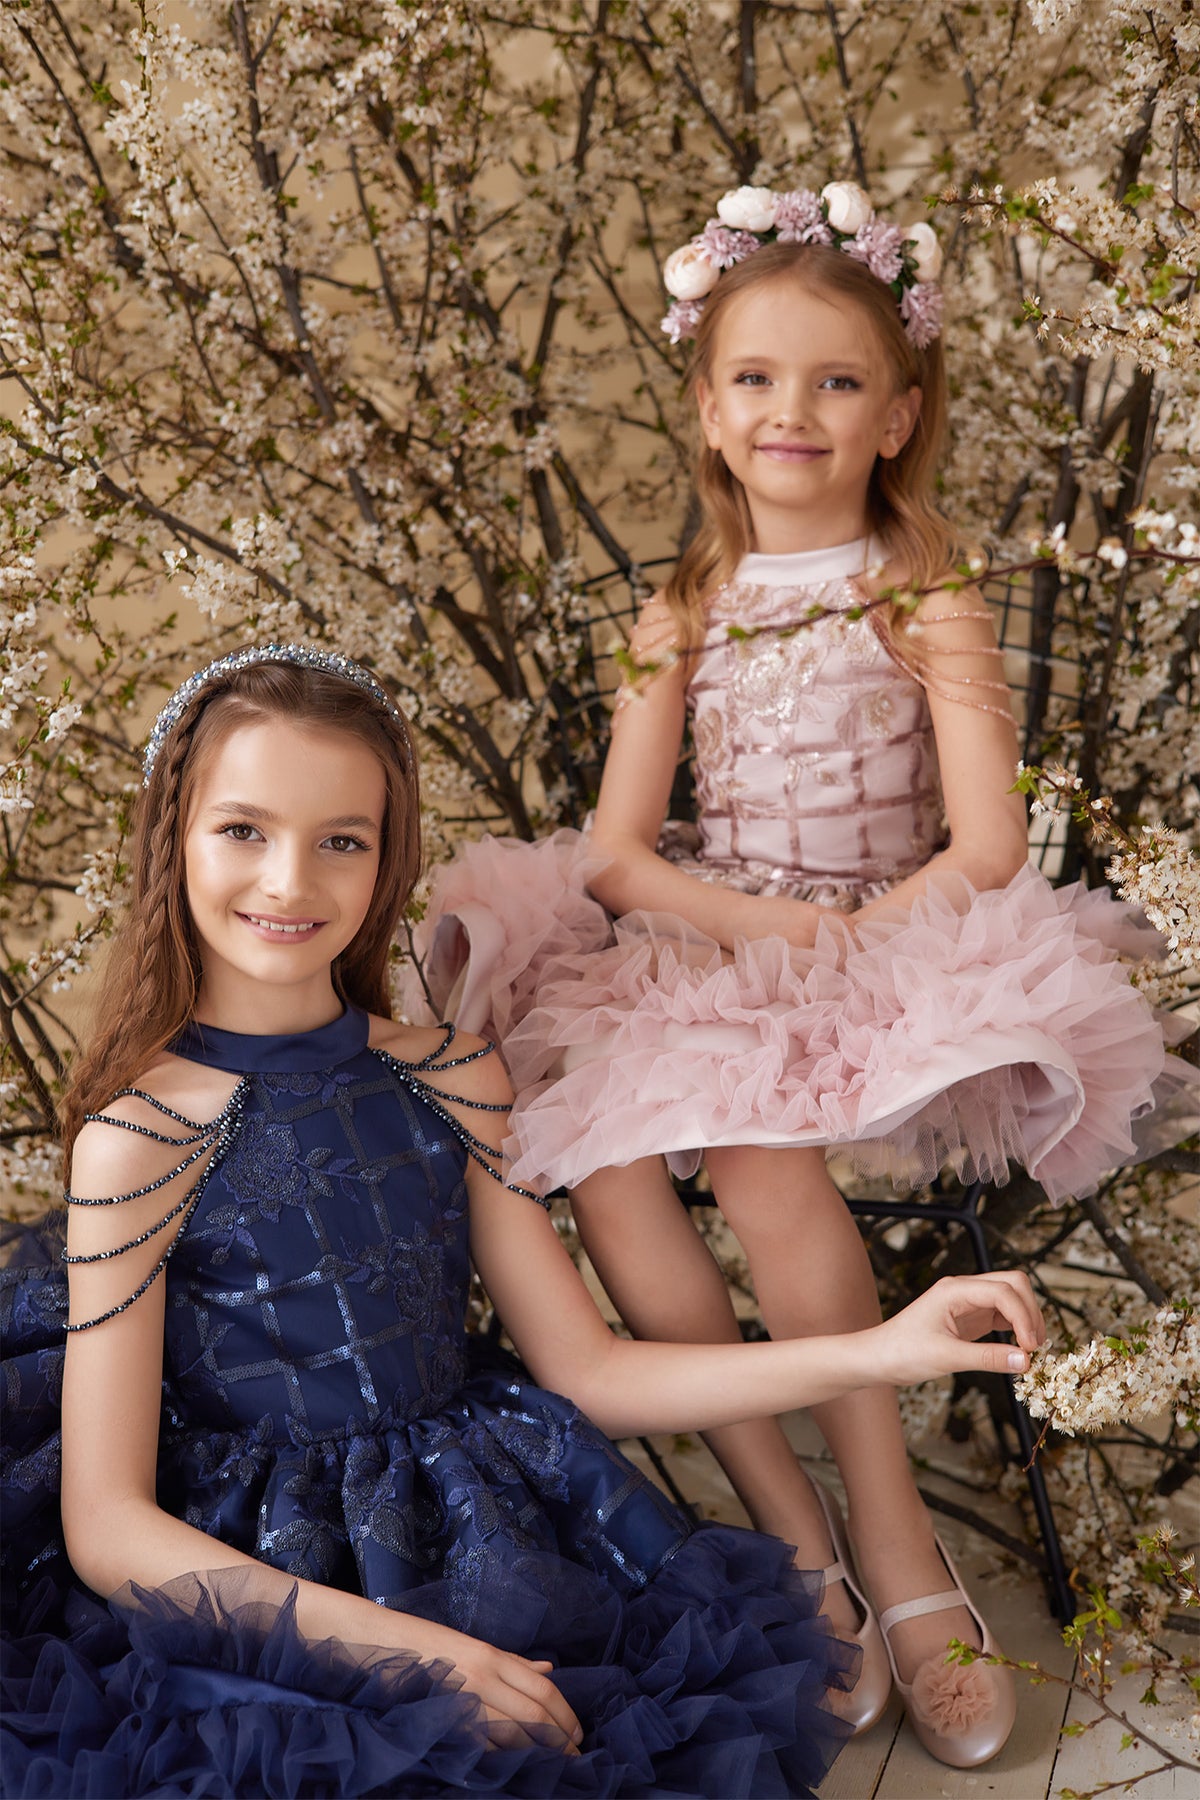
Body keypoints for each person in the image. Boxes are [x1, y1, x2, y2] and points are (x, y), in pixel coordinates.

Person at [411, 184, 1189, 1771]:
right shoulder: (681, 614)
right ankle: (790, 1527)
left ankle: (898, 1546)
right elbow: (616, 860)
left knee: (765, 1167)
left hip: (892, 941)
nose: (793, 410)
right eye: (757, 378)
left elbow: (987, 841)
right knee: (610, 1166)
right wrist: (757, 933)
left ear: (896, 416)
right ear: (708, 407)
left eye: (837, 381)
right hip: (713, 943)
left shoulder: (925, 594)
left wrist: (851, 939)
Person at [0, 643, 1048, 1799]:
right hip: (260, 1576)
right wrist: (419, 1656)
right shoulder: (141, 1135)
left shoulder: (450, 1073)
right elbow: (107, 1524)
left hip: (475, 1521)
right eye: (243, 830)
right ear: (174, 840)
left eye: (341, 840)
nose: (289, 882)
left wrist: (882, 1350)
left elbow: (590, 1371)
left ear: (388, 858)